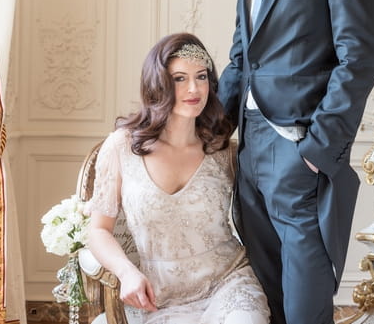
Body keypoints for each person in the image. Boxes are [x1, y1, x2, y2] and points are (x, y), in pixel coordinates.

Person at [217, 0, 374, 323]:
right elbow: (242, 60)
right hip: (249, 144)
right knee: (267, 295)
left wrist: (318, 148)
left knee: (304, 306)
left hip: (298, 146)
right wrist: (208, 134)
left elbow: (359, 58)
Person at [86, 33, 270, 324]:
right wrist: (126, 272)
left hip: (227, 284)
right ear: (157, 84)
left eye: (201, 76)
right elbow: (98, 230)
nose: (194, 88)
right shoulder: (122, 147)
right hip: (158, 297)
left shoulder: (221, 149)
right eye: (179, 79)